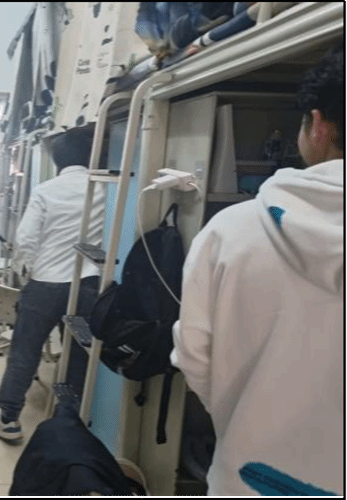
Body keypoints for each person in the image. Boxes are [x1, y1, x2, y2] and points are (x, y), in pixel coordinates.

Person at [170, 41, 343, 496]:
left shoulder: (231, 232)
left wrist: (246, 412)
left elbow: (194, 357)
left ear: (319, 125)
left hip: (251, 479)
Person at [0, 128, 106, 441]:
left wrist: (26, 272)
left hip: (46, 284)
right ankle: (69, 421)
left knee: (25, 351)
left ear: (56, 160)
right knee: (78, 352)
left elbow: (25, 239)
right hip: (88, 284)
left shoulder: (46, 190)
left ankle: (9, 419)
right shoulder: (105, 188)